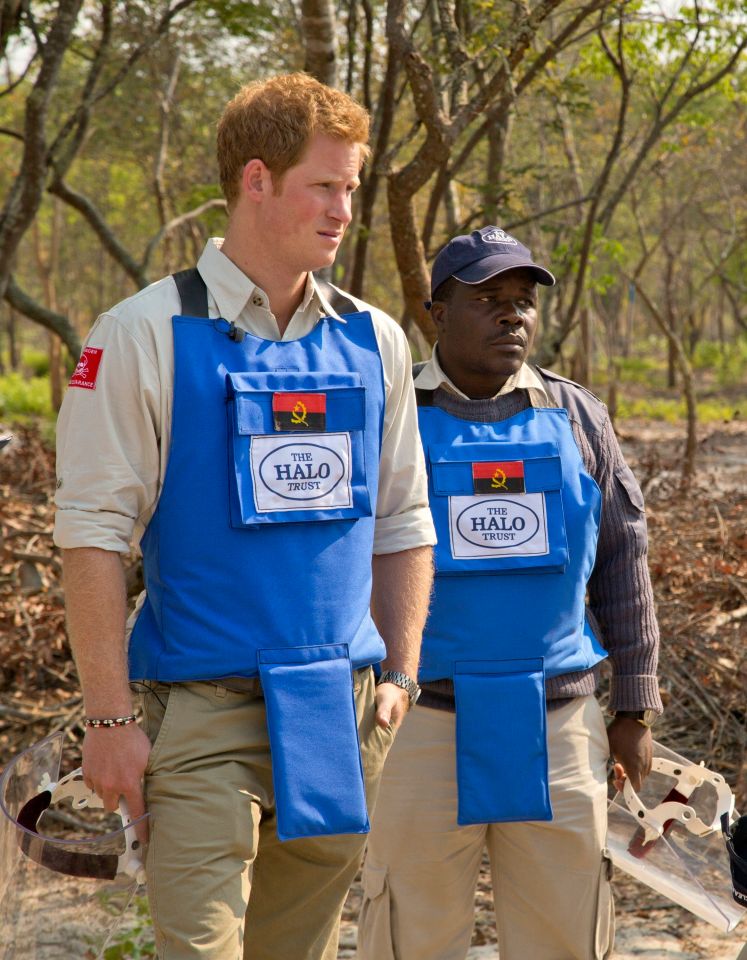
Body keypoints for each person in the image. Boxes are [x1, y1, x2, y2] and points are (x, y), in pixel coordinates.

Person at [53, 73, 435, 960]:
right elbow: (93, 535)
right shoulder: (143, 332)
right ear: (255, 181)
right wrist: (109, 721)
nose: (344, 209)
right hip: (200, 717)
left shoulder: (374, 338)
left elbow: (403, 520)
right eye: (324, 185)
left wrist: (401, 677)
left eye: (351, 187)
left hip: (340, 717)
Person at [357, 226, 663, 960]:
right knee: (408, 933)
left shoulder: (578, 416)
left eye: (522, 302)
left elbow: (623, 562)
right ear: (435, 309)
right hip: (418, 726)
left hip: (559, 726)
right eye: (488, 299)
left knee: (565, 932)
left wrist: (633, 707)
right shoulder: (387, 415)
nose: (511, 316)